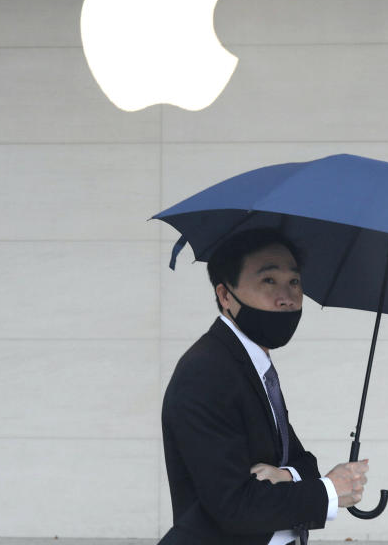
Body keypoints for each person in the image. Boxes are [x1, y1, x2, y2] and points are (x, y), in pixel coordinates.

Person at [158, 228, 370, 545]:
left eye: (294, 282)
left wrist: (285, 476)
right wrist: (329, 491)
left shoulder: (252, 364)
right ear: (225, 295)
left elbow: (302, 462)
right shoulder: (206, 372)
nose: (287, 298)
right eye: (268, 281)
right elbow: (233, 507)